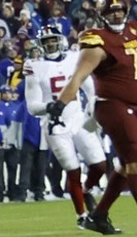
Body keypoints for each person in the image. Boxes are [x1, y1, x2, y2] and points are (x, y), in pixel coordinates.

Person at [49, 0, 137, 235]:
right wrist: (59, 105)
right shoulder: (96, 41)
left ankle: (99, 215)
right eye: (110, 11)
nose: (116, 14)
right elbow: (79, 77)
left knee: (128, 165)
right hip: (114, 106)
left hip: (136, 107)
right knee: (136, 160)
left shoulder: (133, 30)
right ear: (101, 15)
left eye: (119, 9)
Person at [23, 23, 107, 226]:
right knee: (73, 169)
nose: (51, 44)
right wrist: (49, 106)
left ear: (60, 40)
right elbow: (32, 106)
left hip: (78, 119)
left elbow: (90, 88)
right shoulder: (34, 67)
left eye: (54, 40)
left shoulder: (74, 58)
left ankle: (87, 190)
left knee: (100, 164)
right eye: (47, 41)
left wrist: (93, 106)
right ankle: (82, 216)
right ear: (40, 45)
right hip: (56, 124)